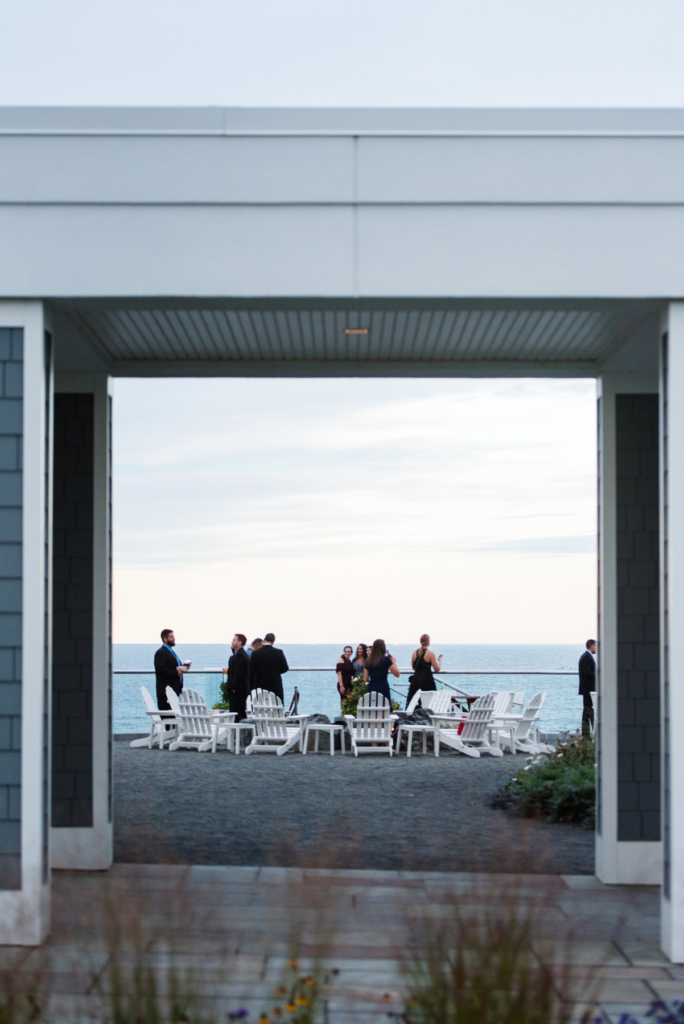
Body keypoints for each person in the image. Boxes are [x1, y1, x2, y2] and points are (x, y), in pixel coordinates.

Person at [154, 628, 188, 711]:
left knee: (174, 717)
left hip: (175, 691)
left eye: (174, 636)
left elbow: (173, 666)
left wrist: (183, 668)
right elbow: (161, 669)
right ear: (165, 639)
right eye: (171, 637)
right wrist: (176, 673)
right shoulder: (161, 652)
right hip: (166, 693)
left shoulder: (171, 652)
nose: (174, 638)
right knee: (168, 719)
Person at [249, 632, 289, 702]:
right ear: (273, 641)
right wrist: (276, 671)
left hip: (260, 685)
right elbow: (285, 668)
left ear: (264, 640)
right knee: (277, 704)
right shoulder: (279, 652)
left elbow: (251, 671)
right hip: (275, 684)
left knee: (261, 705)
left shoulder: (256, 653)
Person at [406, 633, 443, 708]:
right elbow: (437, 669)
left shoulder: (414, 652)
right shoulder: (431, 654)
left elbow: (414, 667)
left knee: (414, 703)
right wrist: (440, 661)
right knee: (429, 703)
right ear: (428, 642)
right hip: (427, 681)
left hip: (416, 681)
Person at [363, 638, 400, 704]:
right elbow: (397, 674)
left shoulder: (368, 661)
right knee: (385, 708)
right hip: (383, 686)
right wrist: (393, 662)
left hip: (372, 687)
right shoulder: (386, 659)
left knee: (372, 709)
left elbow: (365, 679)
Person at [222, 633, 250, 721]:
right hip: (241, 689)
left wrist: (233, 687)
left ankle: (239, 732)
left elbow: (239, 673)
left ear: (240, 642)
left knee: (236, 713)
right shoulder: (239, 654)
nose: (232, 642)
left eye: (234, 640)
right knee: (240, 711)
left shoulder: (240, 656)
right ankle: (243, 732)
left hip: (238, 690)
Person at [579, 639, 596, 736]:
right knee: (588, 711)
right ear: (592, 646)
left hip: (587, 689)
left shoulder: (587, 657)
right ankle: (587, 735)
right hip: (588, 689)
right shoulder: (586, 657)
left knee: (587, 711)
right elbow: (587, 672)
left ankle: (587, 734)